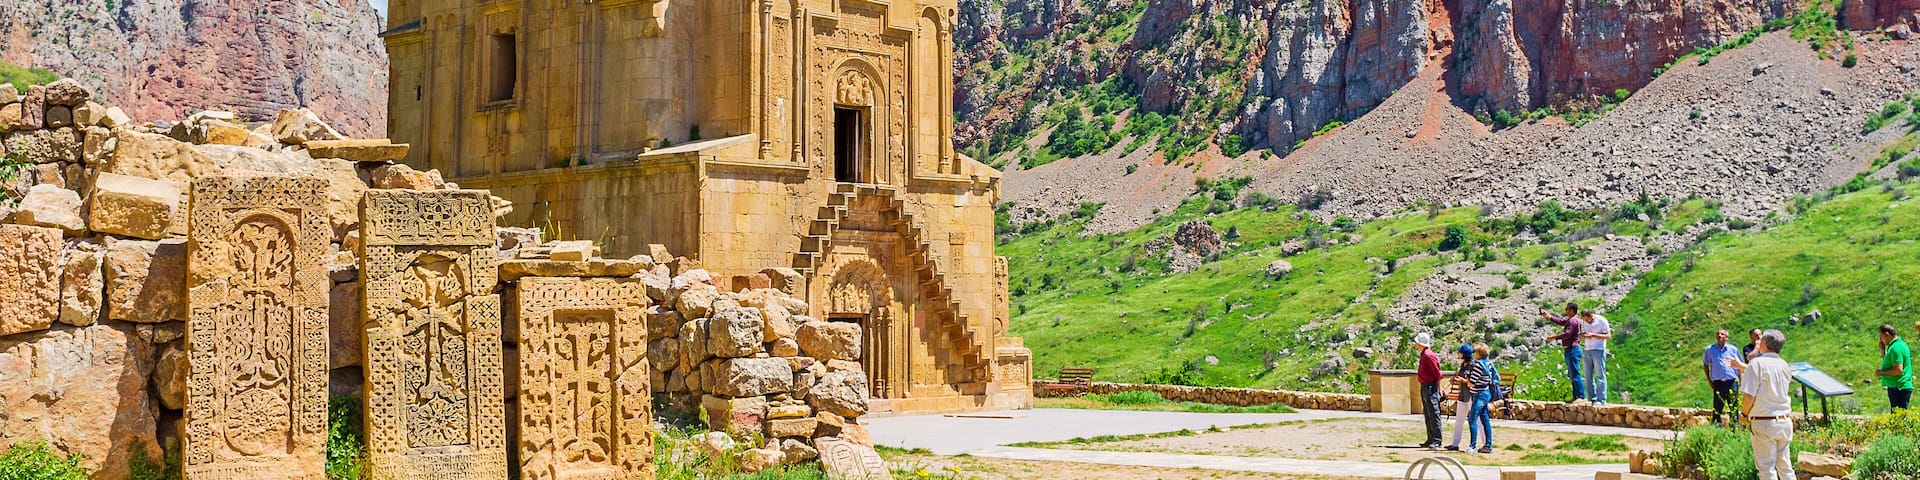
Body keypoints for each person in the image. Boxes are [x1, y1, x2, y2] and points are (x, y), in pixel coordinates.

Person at [1736, 330, 1793, 480]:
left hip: (1764, 419)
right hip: (1784, 420)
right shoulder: (1784, 365)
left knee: (1767, 468)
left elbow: (1749, 396)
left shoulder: (1757, 364)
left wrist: (1744, 414)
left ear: (1765, 344)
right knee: (1785, 466)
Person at [1539, 303, 1586, 402]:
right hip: (1570, 350)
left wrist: (1554, 337)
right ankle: (1576, 396)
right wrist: (1549, 317)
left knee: (1575, 373)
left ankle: (1580, 396)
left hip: (1572, 349)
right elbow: (1561, 322)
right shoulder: (1573, 320)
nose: (1566, 311)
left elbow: (1567, 334)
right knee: (1573, 374)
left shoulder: (1573, 321)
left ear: (1572, 310)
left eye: (1567, 309)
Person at [1703, 329, 1743, 425]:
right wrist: (1709, 380)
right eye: (1718, 334)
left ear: (1726, 337)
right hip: (1718, 382)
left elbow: (1740, 365)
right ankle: (1716, 428)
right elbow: (1705, 364)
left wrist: (1741, 380)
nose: (1719, 335)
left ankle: (1735, 428)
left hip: (1731, 381)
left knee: (1734, 406)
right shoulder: (1710, 349)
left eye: (1722, 334)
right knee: (1717, 407)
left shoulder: (1732, 349)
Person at [1465, 343, 1497, 454]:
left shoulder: (1478, 366)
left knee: (1472, 419)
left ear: (1479, 353)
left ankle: (1472, 446)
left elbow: (1471, 383)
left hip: (1479, 395)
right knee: (1485, 419)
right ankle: (1488, 445)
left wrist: (1466, 380)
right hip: (1486, 392)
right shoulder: (1488, 363)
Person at [1415, 332, 1444, 448]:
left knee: (1433, 412)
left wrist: (1439, 387)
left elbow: (1437, 373)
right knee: (1428, 413)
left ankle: (1437, 439)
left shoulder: (1428, 355)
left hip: (1431, 386)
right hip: (1425, 385)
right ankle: (1431, 438)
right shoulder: (1424, 354)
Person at [1445, 344, 1475, 451]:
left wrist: (1463, 381)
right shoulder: (1463, 365)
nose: (1458, 354)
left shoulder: (1473, 365)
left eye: (1459, 352)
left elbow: (1473, 381)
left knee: (1477, 420)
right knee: (1459, 420)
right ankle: (1455, 443)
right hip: (1462, 396)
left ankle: (1484, 443)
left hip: (1471, 396)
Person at [1579, 311, 1612, 404]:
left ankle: (1601, 399)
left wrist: (1593, 335)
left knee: (1600, 374)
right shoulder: (1584, 322)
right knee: (1587, 375)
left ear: (1591, 316)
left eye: (1588, 320)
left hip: (1598, 349)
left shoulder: (1601, 320)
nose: (1587, 322)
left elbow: (1608, 336)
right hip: (1587, 349)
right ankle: (1592, 398)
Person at [1877, 324, 1912, 410]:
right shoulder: (1897, 345)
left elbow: (1898, 370)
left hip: (1898, 387)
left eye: (1881, 336)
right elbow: (1890, 363)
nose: (1880, 339)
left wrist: (1881, 372)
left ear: (1887, 334)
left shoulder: (1896, 348)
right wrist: (1883, 351)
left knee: (1898, 415)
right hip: (1897, 386)